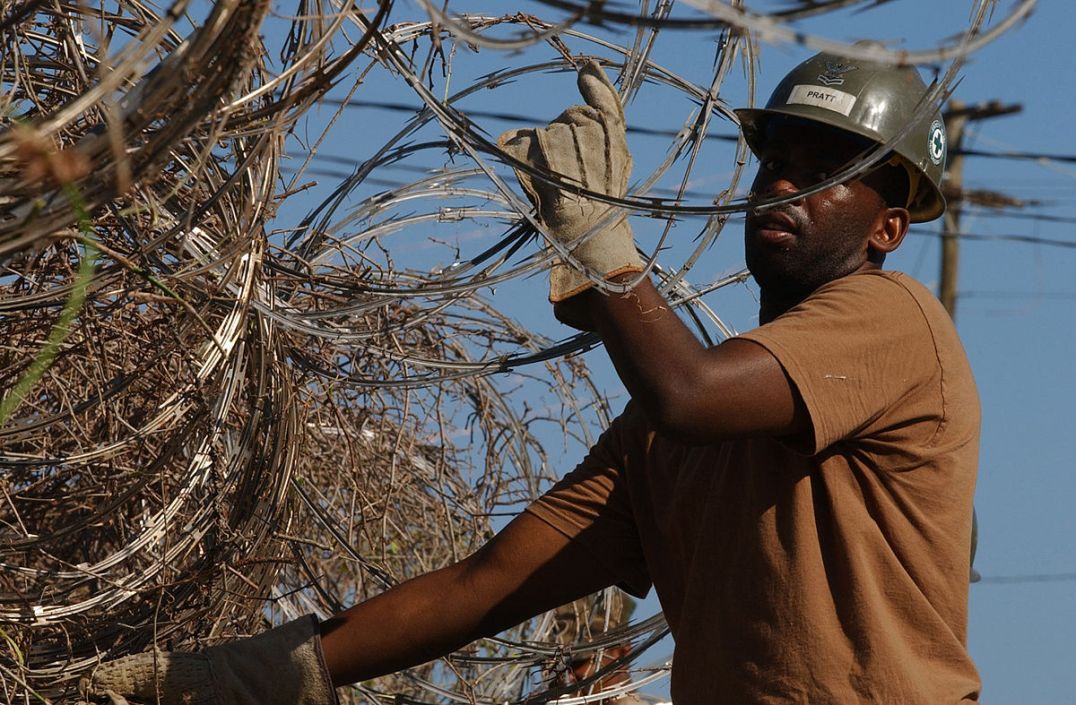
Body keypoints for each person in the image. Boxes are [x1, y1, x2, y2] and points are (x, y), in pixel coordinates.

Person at [83, 50, 981, 705]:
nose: (784, 186)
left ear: (887, 228)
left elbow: (692, 390)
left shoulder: (893, 321)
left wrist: (599, 242)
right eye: (776, 159)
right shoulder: (666, 438)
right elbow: (485, 585)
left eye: (828, 174)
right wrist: (246, 673)